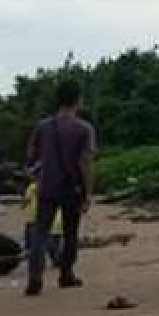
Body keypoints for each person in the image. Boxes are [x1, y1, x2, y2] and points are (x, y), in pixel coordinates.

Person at [24, 79, 96, 296]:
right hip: (71, 188)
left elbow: (31, 154)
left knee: (40, 233)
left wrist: (36, 171)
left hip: (46, 186)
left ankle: (35, 278)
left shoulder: (43, 126)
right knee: (70, 233)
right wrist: (88, 192)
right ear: (78, 100)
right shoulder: (84, 128)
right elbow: (86, 163)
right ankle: (66, 275)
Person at [22, 178, 62, 266]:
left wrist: (23, 205)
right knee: (54, 242)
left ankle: (39, 262)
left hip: (34, 218)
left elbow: (26, 201)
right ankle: (56, 259)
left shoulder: (32, 186)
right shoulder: (56, 187)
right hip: (55, 220)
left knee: (36, 242)